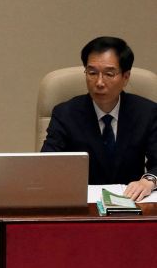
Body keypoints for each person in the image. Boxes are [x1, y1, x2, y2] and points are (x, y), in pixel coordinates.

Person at [41, 36, 157, 200]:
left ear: (126, 77)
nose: (99, 82)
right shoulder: (65, 113)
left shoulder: (147, 112)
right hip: (81, 204)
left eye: (109, 74)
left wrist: (149, 180)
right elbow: (48, 164)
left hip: (131, 203)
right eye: (92, 73)